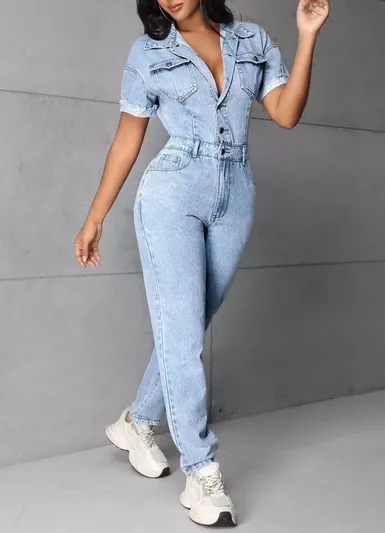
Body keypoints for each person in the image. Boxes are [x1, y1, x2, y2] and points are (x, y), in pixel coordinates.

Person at [74, 0, 329, 527]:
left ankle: (137, 422)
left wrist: (307, 36)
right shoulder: (148, 52)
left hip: (237, 192)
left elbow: (285, 114)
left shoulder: (251, 40)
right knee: (184, 332)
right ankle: (201, 469)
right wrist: (95, 216)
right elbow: (127, 137)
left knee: (188, 324)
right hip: (174, 190)